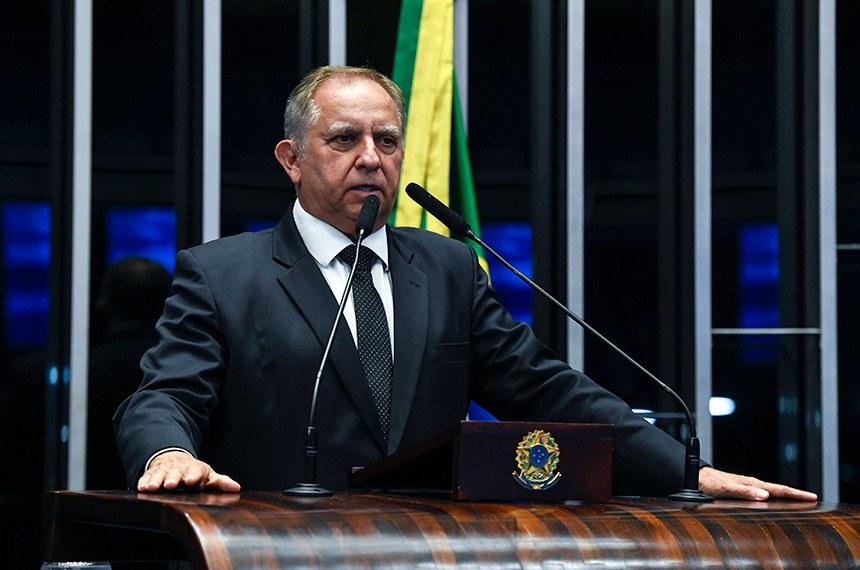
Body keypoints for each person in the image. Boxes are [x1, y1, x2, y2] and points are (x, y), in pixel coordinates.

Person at [114, 66, 815, 502]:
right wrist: (168, 452)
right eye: (344, 140)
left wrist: (685, 472)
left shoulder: (448, 268)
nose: (370, 159)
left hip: (435, 550)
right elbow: (167, 393)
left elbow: (547, 389)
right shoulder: (223, 274)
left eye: (386, 141)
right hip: (281, 550)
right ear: (291, 159)